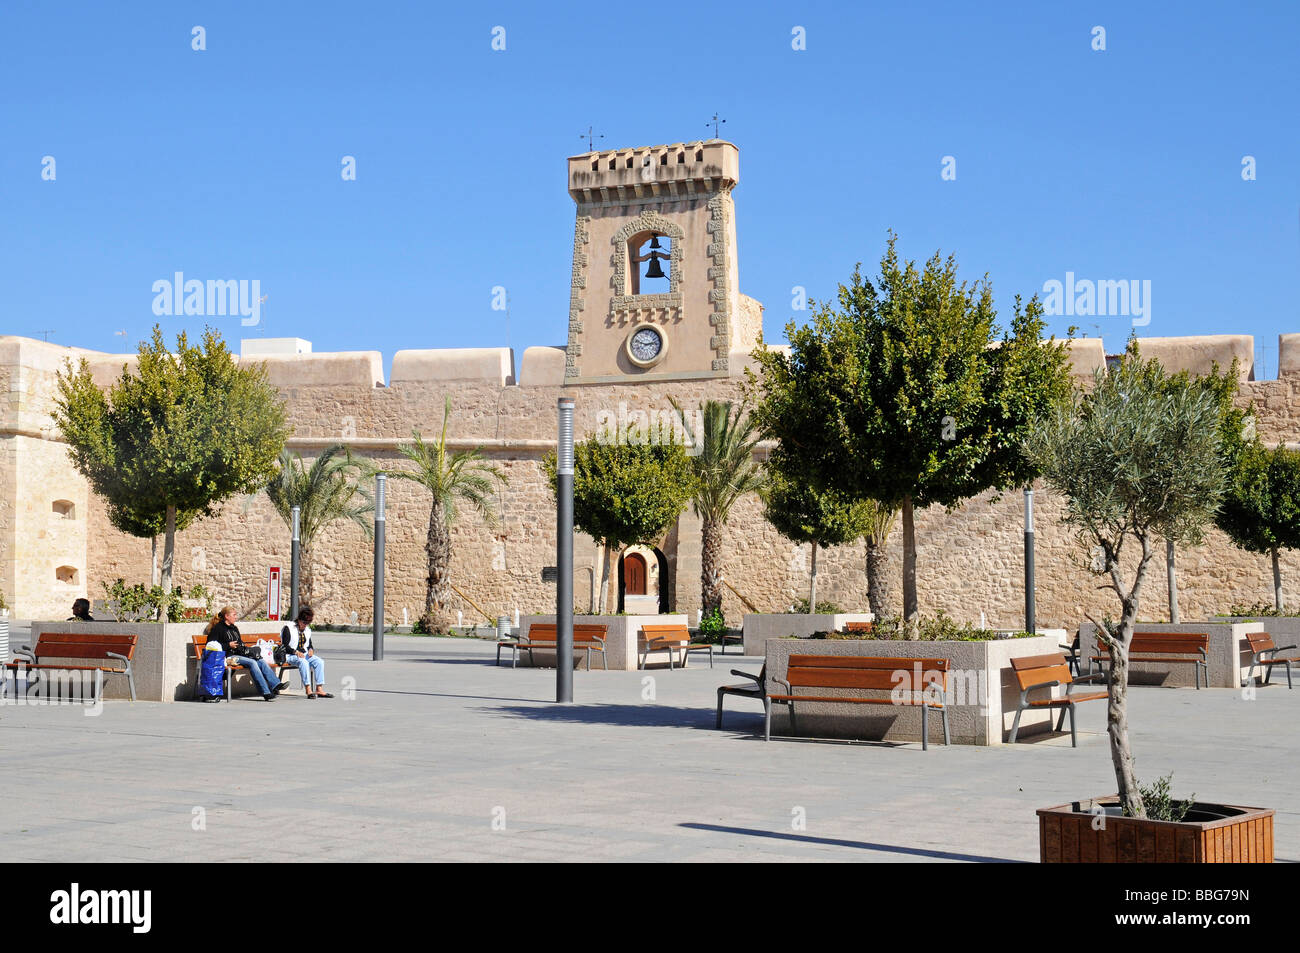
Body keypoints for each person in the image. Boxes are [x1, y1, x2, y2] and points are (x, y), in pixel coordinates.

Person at [205, 606, 287, 702]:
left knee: (260, 661)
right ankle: (266, 692)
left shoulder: (234, 628)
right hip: (228, 656)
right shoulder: (218, 628)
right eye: (234, 615)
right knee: (252, 662)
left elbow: (240, 643)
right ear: (227, 616)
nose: (236, 617)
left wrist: (246, 650)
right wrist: (228, 645)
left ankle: (275, 684)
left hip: (239, 654)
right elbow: (210, 645)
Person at [282, 607, 332, 698]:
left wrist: (311, 649)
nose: (305, 625)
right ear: (299, 620)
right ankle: (308, 689)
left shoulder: (307, 630)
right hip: (290, 655)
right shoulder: (288, 628)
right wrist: (295, 652)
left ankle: (319, 689)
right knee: (303, 662)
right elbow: (284, 646)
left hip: (304, 654)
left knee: (319, 662)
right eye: (304, 622)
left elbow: (309, 644)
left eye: (308, 623)